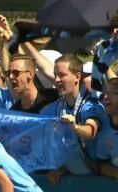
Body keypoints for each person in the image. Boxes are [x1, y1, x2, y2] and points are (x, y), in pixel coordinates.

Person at [40, 54, 105, 183]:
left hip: (98, 181)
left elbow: (90, 131)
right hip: (73, 179)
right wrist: (62, 168)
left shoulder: (92, 104)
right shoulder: (54, 108)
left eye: (62, 75)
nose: (57, 80)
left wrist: (75, 127)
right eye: (55, 75)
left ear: (77, 76)